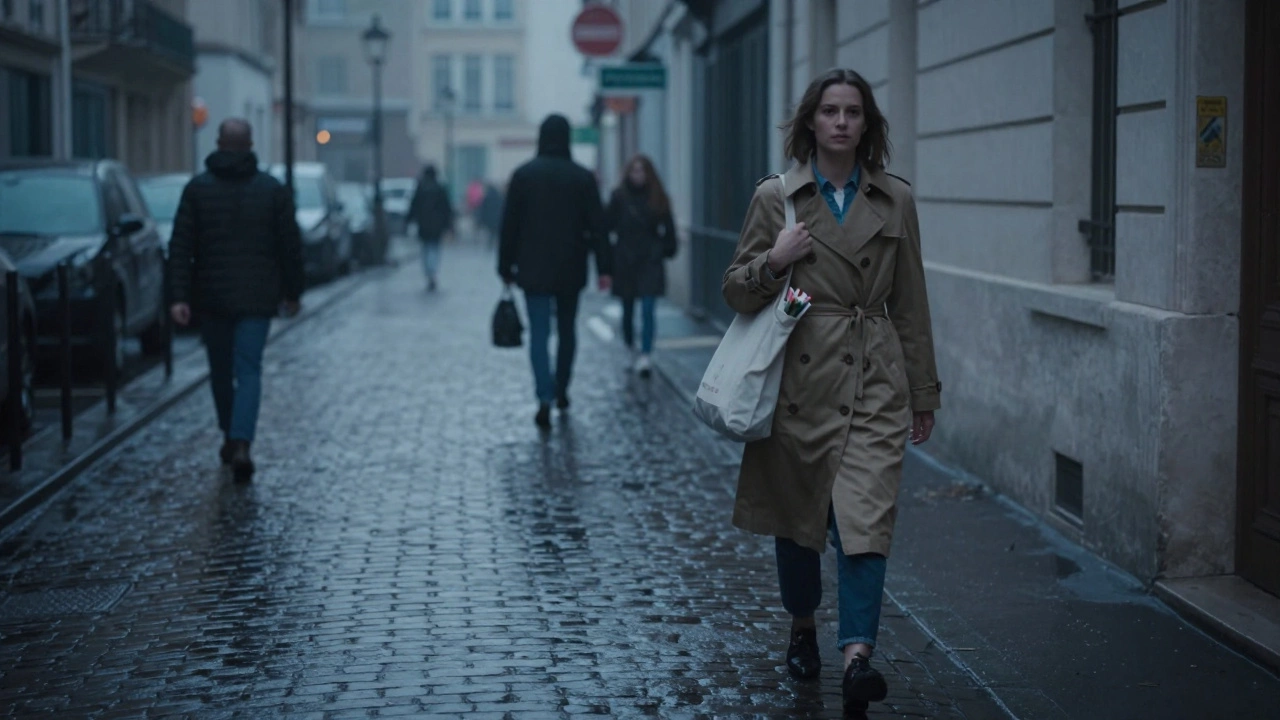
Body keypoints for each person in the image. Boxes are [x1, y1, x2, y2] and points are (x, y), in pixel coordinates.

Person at [720, 69, 941, 716]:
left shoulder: (895, 200)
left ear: (866, 125)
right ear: (810, 123)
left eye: (853, 112)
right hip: (798, 381)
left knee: (865, 520)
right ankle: (802, 625)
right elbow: (735, 289)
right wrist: (777, 259)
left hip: (875, 378)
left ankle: (857, 659)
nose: (841, 122)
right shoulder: (777, 198)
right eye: (830, 111)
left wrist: (922, 391)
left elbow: (913, 304)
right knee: (799, 526)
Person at [168, 118, 304, 481]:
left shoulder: (197, 190)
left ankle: (231, 434)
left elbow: (181, 246)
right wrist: (292, 293)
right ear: (250, 145)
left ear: (218, 144)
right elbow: (290, 247)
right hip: (257, 297)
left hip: (212, 298)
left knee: (220, 372)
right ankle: (241, 440)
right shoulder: (272, 190)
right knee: (249, 370)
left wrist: (179, 296)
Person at [498, 113, 612, 429]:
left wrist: (505, 266)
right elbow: (598, 226)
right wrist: (604, 267)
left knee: (538, 333)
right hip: (571, 266)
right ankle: (562, 388)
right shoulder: (582, 178)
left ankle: (544, 395)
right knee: (566, 330)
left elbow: (509, 226)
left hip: (532, 268)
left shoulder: (523, 176)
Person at [604, 155, 676, 377]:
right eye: (634, 171)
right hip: (625, 260)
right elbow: (607, 226)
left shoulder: (658, 197)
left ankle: (646, 354)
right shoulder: (618, 197)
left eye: (642, 171)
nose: (638, 175)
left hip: (649, 260)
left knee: (647, 308)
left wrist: (664, 250)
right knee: (627, 310)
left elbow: (668, 227)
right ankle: (629, 348)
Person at [407, 164, 454, 291]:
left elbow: (413, 206)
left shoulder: (420, 188)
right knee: (434, 248)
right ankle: (432, 273)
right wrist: (449, 225)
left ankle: (428, 272)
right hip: (437, 226)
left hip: (423, 225)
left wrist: (409, 220)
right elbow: (447, 209)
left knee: (425, 249)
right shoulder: (440, 188)